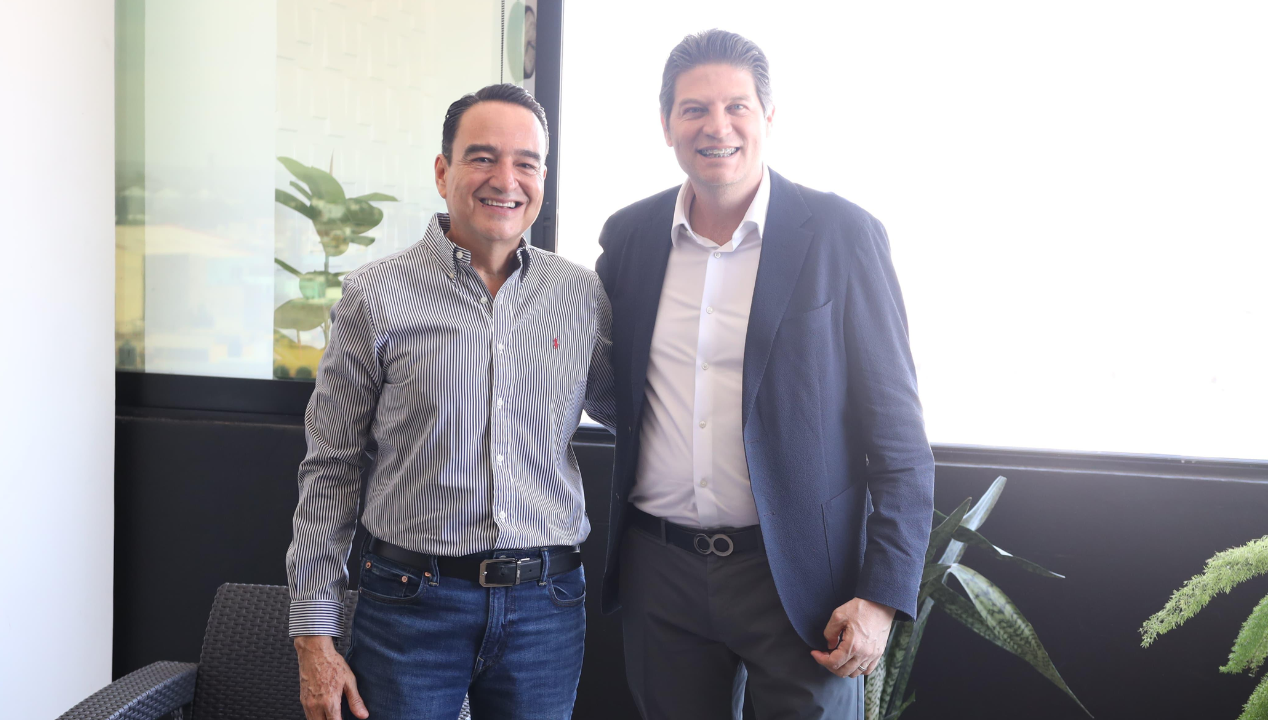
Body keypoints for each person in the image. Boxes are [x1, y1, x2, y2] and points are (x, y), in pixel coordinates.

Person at [594, 30, 935, 719]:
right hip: (661, 570)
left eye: (736, 107)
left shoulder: (843, 234)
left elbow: (899, 436)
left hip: (802, 582)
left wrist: (881, 596)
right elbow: (611, 388)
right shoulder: (629, 236)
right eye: (694, 109)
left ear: (769, 118)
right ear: (666, 124)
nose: (715, 126)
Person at [286, 83, 613, 720]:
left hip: (546, 609)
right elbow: (331, 466)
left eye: (526, 163)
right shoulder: (375, 295)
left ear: (542, 179)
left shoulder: (581, 295)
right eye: (482, 157)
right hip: (410, 605)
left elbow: (636, 413)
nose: (506, 180)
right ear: (443, 172)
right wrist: (313, 636)